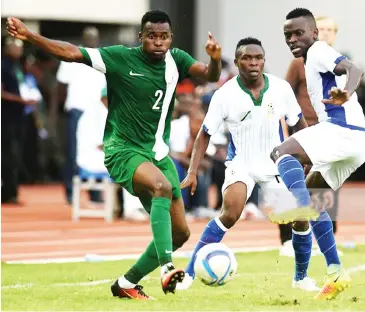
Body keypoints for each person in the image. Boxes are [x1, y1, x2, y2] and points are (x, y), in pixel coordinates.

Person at [6, 10, 222, 299]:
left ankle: (127, 283)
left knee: (180, 233)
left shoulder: (177, 60)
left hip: (158, 154)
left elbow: (210, 74)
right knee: (161, 187)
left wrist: (216, 58)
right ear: (141, 37)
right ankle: (167, 266)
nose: (158, 42)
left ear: (171, 38)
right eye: (152, 36)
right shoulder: (119, 57)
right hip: (123, 149)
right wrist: (30, 36)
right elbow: (72, 53)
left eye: (164, 37)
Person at [177, 37, 318, 291]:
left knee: (299, 218)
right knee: (230, 213)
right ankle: (188, 274)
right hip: (240, 163)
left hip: (275, 165)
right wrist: (192, 171)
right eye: (247, 58)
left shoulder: (281, 88)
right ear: (238, 60)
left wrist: (306, 156)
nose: (253, 63)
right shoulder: (225, 94)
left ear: (264, 60)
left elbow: (298, 123)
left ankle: (301, 278)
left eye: (258, 58)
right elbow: (205, 133)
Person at [270, 8, 365, 299]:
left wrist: (347, 92)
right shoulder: (307, 59)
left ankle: (296, 205)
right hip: (358, 142)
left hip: (341, 130)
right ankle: (335, 272)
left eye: (298, 32)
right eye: (287, 34)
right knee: (315, 196)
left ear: (314, 33)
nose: (292, 38)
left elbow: (354, 69)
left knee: (280, 152)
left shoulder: (318, 51)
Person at [280, 15, 340, 255]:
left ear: (335, 34)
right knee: (292, 181)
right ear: (314, 31)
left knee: (326, 183)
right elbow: (285, 94)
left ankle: (326, 237)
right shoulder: (299, 62)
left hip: (329, 129)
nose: (325, 33)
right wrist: (285, 130)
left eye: (330, 29)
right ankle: (285, 238)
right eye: (321, 28)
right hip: (303, 129)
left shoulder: (336, 61)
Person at [54, 26, 106, 204]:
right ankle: (70, 191)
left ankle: (95, 192)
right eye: (88, 36)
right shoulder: (70, 56)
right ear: (83, 38)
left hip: (97, 113)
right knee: (73, 152)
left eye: (94, 37)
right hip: (76, 110)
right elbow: (61, 87)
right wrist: (60, 111)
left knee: (98, 151)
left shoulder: (102, 57)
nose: (91, 40)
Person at [1, 37, 37, 204]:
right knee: (8, 155)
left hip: (17, 117)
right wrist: (21, 100)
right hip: (6, 117)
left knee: (15, 155)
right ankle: (7, 192)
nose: (19, 51)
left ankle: (11, 191)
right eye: (16, 47)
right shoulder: (3, 66)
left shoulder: (17, 67)